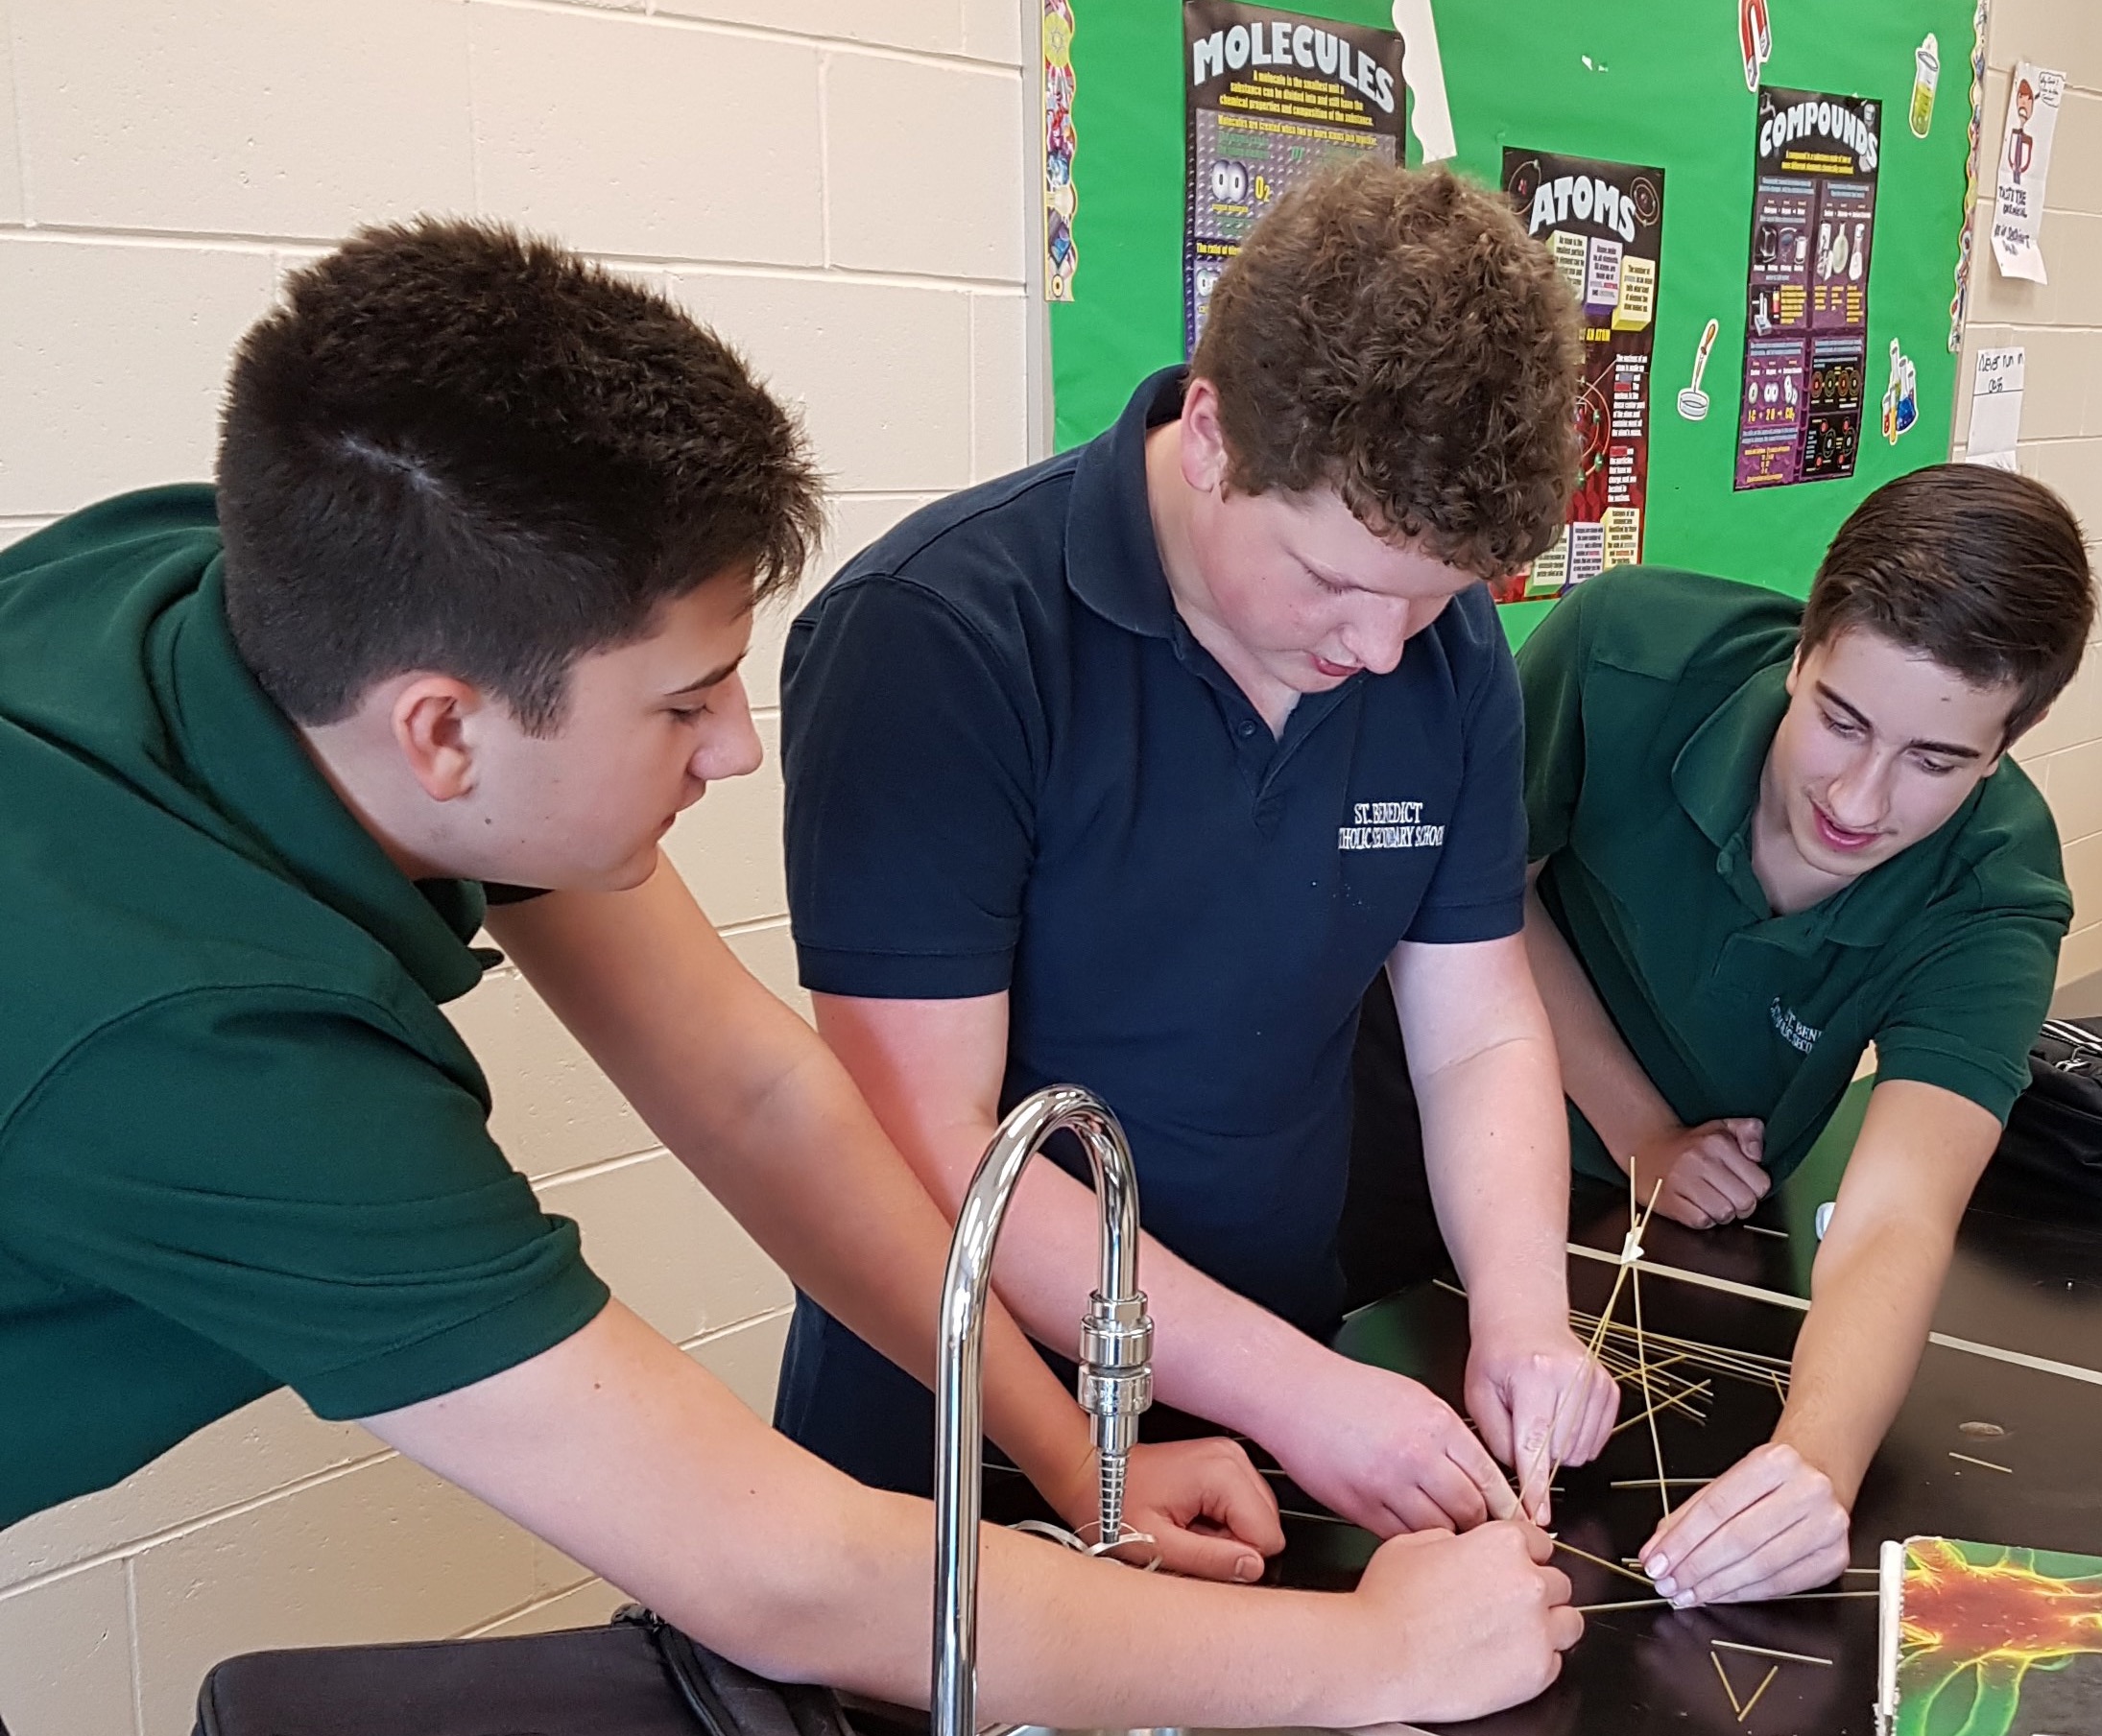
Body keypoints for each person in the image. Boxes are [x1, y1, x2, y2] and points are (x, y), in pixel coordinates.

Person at [0, 218, 1581, 1731]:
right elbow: (773, 1564)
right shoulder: (210, 1042)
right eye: (683, 704)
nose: (740, 746)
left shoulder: (250, 588)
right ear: (442, 724)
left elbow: (753, 1090)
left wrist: (1068, 1446)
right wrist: (1368, 1647)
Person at [774, 161, 1621, 1535]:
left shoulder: (1436, 651)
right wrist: (1299, 1393)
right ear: (1213, 437)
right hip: (969, 1413)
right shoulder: (937, 639)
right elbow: (929, 1146)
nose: (1378, 651)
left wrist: (1522, 1318)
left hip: (1281, 1375)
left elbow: (1475, 1026)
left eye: (1437, 599)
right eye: (1336, 582)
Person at [1356, 464, 2091, 1607]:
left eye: (1936, 762)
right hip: (1408, 1134)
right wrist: (1642, 1124)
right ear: (1803, 651)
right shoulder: (1626, 652)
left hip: (1652, 1246)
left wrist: (1818, 1463)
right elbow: (1476, 907)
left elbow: (1898, 1212)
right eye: (1841, 721)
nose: (1858, 798)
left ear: (2004, 751)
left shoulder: (1997, 889)